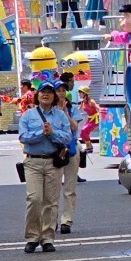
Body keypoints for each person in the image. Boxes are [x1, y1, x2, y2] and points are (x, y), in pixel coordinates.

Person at [18, 82, 72, 253]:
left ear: (54, 96)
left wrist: (52, 133)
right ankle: (32, 237)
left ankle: (47, 238)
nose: (46, 95)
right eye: (43, 92)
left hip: (53, 163)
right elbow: (23, 137)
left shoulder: (61, 116)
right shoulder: (28, 115)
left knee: (50, 202)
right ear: (38, 95)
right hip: (33, 162)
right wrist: (41, 132)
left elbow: (67, 137)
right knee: (34, 199)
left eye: (50, 92)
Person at [56, 85, 82, 234]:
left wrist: (65, 112)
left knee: (69, 188)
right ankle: (51, 220)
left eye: (63, 91)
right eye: (58, 91)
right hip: (54, 151)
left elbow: (73, 128)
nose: (61, 93)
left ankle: (66, 220)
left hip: (70, 149)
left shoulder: (72, 109)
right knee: (52, 189)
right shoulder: (48, 110)